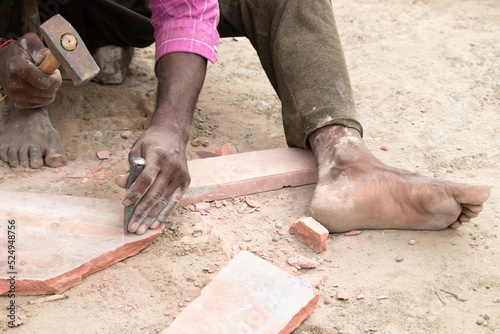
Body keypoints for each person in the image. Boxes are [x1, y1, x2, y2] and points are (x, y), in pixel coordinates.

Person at [1, 0, 491, 235]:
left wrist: (171, 125)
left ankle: (346, 159)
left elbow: (186, 10)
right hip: (42, 11)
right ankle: (22, 97)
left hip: (124, 5)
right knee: (26, 38)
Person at [0, 0, 154, 168]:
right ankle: (24, 88)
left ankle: (95, 38)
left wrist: (171, 125)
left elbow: (179, 14)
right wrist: (4, 48)